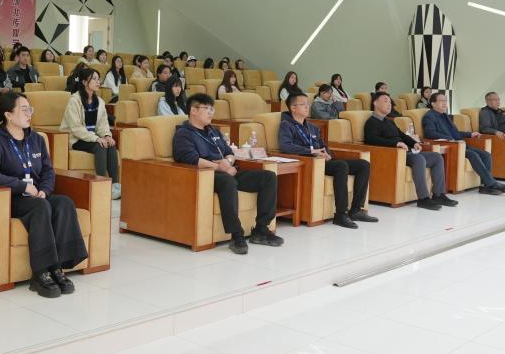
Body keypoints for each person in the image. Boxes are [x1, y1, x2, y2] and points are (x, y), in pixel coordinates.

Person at [0, 92, 87, 298]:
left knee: (64, 203)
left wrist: (44, 190)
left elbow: (48, 171)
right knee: (41, 207)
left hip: (37, 195)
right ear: (8, 115)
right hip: (11, 198)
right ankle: (41, 272)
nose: (29, 114)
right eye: (24, 110)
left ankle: (57, 268)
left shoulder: (36, 139)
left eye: (30, 109)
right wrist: (22, 186)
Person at [172, 92, 283, 254]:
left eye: (212, 109)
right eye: (206, 108)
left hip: (228, 170)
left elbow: (229, 152)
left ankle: (261, 229)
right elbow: (189, 158)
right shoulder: (184, 133)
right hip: (206, 175)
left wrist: (228, 163)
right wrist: (219, 167)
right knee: (227, 181)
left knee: (268, 177)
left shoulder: (213, 131)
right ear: (193, 111)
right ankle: (236, 235)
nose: (211, 112)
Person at [280, 93, 374, 228]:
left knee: (363, 165)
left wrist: (327, 154)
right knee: (341, 166)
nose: (307, 107)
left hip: (323, 161)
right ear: (293, 108)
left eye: (308, 104)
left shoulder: (312, 127)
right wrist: (312, 151)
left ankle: (356, 210)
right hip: (309, 163)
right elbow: (286, 146)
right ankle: (340, 214)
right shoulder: (286, 125)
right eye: (303, 104)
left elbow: (324, 146)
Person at [365, 92, 456, 210]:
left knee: (436, 157)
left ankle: (438, 194)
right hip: (393, 154)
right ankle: (423, 199)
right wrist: (395, 144)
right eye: (385, 101)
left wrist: (414, 143)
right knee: (418, 159)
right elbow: (372, 140)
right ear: (375, 103)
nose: (389, 104)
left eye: (390, 101)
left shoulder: (389, 121)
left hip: (405, 152)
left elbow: (402, 135)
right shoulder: (371, 122)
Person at [423, 92, 505, 195]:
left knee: (486, 155)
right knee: (473, 155)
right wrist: (451, 139)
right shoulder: (429, 116)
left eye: (445, 101)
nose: (445, 103)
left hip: (460, 144)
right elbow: (430, 133)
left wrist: (470, 134)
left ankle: (486, 186)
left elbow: (455, 133)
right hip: (451, 146)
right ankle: (491, 183)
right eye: (441, 101)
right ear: (433, 103)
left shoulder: (445, 116)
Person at [59, 68, 120, 199]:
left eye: (99, 79)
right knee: (100, 146)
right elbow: (76, 128)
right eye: (94, 79)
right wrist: (96, 139)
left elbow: (103, 124)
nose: (98, 82)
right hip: (76, 139)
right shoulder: (74, 101)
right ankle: (101, 185)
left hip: (92, 137)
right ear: (84, 82)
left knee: (110, 144)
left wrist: (107, 136)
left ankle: (115, 185)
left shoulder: (100, 102)